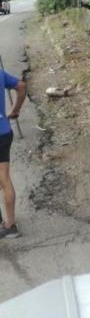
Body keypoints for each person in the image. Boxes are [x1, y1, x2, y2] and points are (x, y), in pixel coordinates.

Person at [0, 65, 26, 238]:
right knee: (4, 177)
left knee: (2, 178)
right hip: (3, 132)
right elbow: (21, 86)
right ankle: (9, 224)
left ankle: (8, 225)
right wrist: (15, 110)